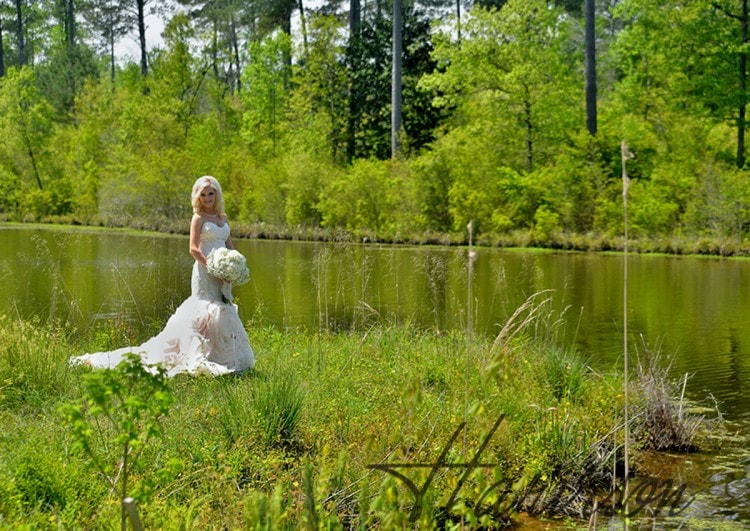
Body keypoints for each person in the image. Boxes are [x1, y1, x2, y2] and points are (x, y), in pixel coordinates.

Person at [70, 176, 255, 376]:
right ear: (198, 197)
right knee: (204, 311)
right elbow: (193, 249)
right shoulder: (198, 218)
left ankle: (224, 357)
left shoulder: (223, 217)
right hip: (206, 270)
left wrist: (234, 266)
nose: (207, 198)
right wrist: (213, 267)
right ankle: (196, 356)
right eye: (203, 195)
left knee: (223, 309)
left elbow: (230, 246)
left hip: (223, 272)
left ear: (217, 194)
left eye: (211, 193)